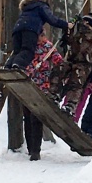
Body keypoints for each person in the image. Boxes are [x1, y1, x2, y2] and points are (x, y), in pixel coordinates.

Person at [5, 0, 73, 70]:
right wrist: (66, 25)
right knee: (28, 50)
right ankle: (18, 66)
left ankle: (8, 67)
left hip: (17, 29)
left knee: (17, 51)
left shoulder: (27, 7)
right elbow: (52, 19)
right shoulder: (41, 5)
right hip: (30, 29)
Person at [49, 14, 92, 117]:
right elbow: (72, 41)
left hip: (84, 64)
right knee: (59, 70)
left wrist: (79, 23)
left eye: (87, 23)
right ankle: (54, 94)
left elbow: (86, 37)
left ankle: (71, 105)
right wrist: (67, 31)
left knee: (76, 82)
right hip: (72, 60)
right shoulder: (79, 34)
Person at [24, 29, 63, 161]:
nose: (42, 38)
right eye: (40, 35)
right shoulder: (29, 46)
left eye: (42, 35)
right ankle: (30, 148)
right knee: (27, 117)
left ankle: (36, 150)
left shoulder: (48, 47)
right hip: (27, 85)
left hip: (42, 86)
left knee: (36, 118)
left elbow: (58, 60)